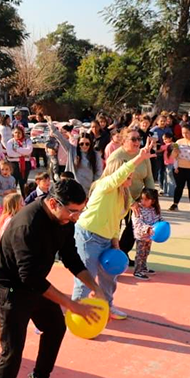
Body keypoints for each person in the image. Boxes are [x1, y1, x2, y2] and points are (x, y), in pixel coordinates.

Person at [0, 179, 104, 378]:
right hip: (11, 286)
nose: (76, 217)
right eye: (72, 211)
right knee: (12, 351)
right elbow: (29, 278)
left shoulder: (64, 222)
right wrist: (70, 303)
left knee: (55, 326)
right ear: (53, 203)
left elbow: (71, 256)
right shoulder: (29, 225)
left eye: (80, 211)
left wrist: (94, 285)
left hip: (33, 282)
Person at [73, 137, 156, 320]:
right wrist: (140, 157)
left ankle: (107, 307)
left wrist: (115, 243)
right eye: (127, 174)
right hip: (88, 236)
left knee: (109, 277)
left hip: (106, 239)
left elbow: (115, 221)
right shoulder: (104, 186)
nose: (130, 176)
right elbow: (121, 173)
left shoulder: (124, 195)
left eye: (131, 174)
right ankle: (77, 312)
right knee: (86, 278)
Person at [108, 129, 156, 257]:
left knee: (133, 229)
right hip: (117, 199)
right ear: (124, 141)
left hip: (138, 199)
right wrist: (130, 202)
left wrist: (152, 199)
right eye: (133, 139)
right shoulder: (116, 157)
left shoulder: (143, 155)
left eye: (139, 139)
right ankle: (110, 258)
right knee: (114, 231)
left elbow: (149, 177)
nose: (137, 142)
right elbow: (115, 183)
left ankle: (122, 255)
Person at [132, 188, 162, 280]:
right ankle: (137, 271)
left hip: (150, 236)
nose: (143, 201)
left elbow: (159, 219)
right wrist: (147, 229)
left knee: (146, 252)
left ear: (152, 201)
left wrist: (163, 224)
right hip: (141, 236)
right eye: (142, 199)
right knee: (140, 253)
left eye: (146, 199)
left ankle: (143, 268)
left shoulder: (155, 209)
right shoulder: (138, 209)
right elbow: (137, 223)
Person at [4, 126, 33, 193]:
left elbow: (28, 150)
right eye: (16, 132)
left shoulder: (27, 141)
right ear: (13, 133)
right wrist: (23, 155)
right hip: (14, 165)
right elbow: (10, 153)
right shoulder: (10, 142)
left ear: (22, 133)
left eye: (19, 133)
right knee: (13, 183)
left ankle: (25, 200)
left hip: (25, 165)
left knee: (23, 183)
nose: (17, 134)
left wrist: (16, 149)